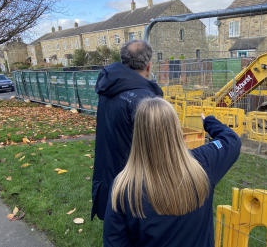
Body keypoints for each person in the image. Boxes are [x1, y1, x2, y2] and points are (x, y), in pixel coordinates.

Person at [103, 97, 241, 247]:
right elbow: (231, 139)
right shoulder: (204, 163)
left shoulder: (124, 188)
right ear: (176, 128)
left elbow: (114, 242)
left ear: (138, 133)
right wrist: (209, 122)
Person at [91, 40, 164, 221]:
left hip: (110, 172)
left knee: (117, 227)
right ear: (149, 65)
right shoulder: (146, 99)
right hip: (136, 184)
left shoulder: (110, 86)